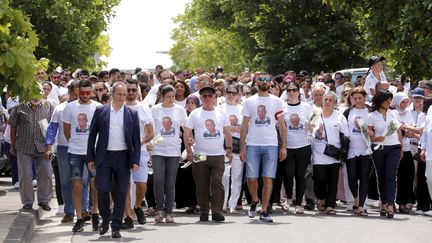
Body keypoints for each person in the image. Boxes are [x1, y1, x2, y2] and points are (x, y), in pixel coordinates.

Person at [87, 82, 141, 238]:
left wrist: (135, 160)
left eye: (125, 95)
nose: (123, 97)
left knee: (121, 192)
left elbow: (136, 140)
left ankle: (116, 225)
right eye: (120, 94)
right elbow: (92, 136)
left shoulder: (132, 113)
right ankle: (105, 218)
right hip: (104, 157)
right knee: (102, 188)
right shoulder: (100, 111)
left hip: (123, 157)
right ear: (112, 94)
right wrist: (90, 158)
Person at [240, 74, 287, 223]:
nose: (264, 82)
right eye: (261, 79)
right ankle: (254, 200)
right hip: (252, 144)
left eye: (267, 80)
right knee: (251, 178)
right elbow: (244, 126)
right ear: (257, 82)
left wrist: (284, 147)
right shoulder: (249, 101)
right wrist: (242, 147)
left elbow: (282, 126)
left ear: (271, 83)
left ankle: (264, 210)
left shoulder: (277, 101)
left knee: (268, 178)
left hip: (271, 144)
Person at [184, 86, 233, 222]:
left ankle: (217, 211)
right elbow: (187, 132)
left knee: (217, 183)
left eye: (210, 96)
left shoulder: (221, 113)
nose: (207, 98)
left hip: (218, 154)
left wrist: (229, 149)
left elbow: (227, 132)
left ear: (214, 97)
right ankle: (204, 211)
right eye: (204, 96)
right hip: (200, 154)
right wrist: (189, 151)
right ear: (200, 98)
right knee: (201, 185)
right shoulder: (195, 114)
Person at [63, 79, 102, 232]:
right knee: (76, 185)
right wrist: (75, 143)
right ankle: (79, 218)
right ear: (77, 91)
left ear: (91, 92)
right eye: (82, 93)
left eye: (88, 93)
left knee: (95, 185)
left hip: (92, 152)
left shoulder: (98, 107)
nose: (85, 95)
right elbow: (67, 130)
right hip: (75, 152)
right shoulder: (70, 107)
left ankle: (95, 215)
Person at [45, 81, 83, 223]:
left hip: (82, 149)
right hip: (63, 148)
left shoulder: (90, 107)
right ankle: (69, 211)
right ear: (71, 92)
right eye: (76, 91)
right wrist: (49, 146)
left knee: (82, 182)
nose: (79, 94)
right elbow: (52, 128)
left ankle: (84, 211)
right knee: (66, 181)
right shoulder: (60, 109)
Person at [149, 85, 187, 223]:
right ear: (162, 97)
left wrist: (188, 142)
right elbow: (150, 128)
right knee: (158, 180)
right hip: (158, 149)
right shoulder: (155, 109)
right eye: (168, 97)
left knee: (170, 182)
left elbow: (186, 127)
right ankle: (159, 209)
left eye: (173, 96)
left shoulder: (179, 109)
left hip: (173, 150)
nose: (171, 99)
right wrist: (149, 143)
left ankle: (169, 211)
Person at [9, 94, 54, 211]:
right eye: (33, 93)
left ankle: (44, 201)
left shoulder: (48, 106)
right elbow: (13, 127)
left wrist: (50, 147)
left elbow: (52, 127)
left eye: (38, 93)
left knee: (46, 173)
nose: (35, 96)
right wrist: (12, 146)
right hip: (24, 147)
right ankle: (27, 202)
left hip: (43, 147)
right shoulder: (19, 107)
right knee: (25, 176)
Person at [121, 79, 154, 228]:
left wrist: (140, 143)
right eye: (128, 90)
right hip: (121, 151)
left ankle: (138, 205)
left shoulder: (142, 107)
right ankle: (128, 216)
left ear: (138, 91)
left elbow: (150, 133)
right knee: (125, 184)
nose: (131, 93)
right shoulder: (117, 107)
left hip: (139, 151)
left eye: (134, 90)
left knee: (141, 184)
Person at [311, 92, 349, 215]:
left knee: (333, 181)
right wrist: (316, 132)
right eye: (325, 99)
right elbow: (308, 132)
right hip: (318, 154)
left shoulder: (339, 117)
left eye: (330, 100)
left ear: (334, 103)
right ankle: (321, 197)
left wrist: (344, 150)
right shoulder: (315, 116)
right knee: (320, 179)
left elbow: (346, 134)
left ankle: (330, 205)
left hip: (334, 154)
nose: (327, 102)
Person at [367, 90, 402, 218]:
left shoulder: (394, 113)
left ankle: (390, 203)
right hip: (378, 149)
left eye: (390, 99)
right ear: (379, 100)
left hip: (394, 148)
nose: (389, 102)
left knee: (391, 176)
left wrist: (401, 147)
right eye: (387, 99)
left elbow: (398, 132)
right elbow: (368, 136)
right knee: (381, 176)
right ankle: (383, 202)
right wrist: (377, 138)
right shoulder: (371, 116)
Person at [281, 82, 312, 214]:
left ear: (299, 92)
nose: (292, 92)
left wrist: (310, 129)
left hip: (303, 145)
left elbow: (310, 124)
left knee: (300, 175)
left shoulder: (306, 106)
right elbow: (280, 126)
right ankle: (288, 197)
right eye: (289, 90)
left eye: (294, 90)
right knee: (288, 174)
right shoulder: (282, 107)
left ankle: (299, 203)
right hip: (288, 146)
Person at [344, 87, 372, 216]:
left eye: (360, 98)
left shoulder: (370, 111)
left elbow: (374, 131)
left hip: (366, 150)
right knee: (352, 178)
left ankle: (361, 205)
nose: (357, 100)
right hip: (351, 150)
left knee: (364, 178)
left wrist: (364, 128)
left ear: (365, 98)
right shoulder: (348, 112)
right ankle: (355, 198)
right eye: (354, 98)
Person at [220, 85, 243, 213]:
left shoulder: (242, 109)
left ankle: (233, 204)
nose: (231, 95)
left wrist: (231, 128)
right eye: (229, 92)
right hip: (223, 145)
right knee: (224, 175)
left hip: (238, 145)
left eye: (234, 93)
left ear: (238, 94)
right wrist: (233, 128)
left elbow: (245, 128)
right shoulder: (220, 108)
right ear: (225, 93)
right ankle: (222, 203)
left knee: (237, 176)